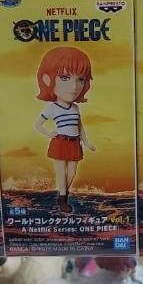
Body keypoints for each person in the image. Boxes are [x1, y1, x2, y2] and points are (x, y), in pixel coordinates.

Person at [32, 46, 97, 214]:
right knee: (61, 173)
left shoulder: (75, 108)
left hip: (75, 143)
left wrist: (87, 142)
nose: (74, 86)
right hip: (60, 142)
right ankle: (63, 200)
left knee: (72, 172)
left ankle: (62, 195)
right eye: (65, 77)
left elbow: (80, 126)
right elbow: (37, 124)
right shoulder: (52, 107)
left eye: (80, 79)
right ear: (47, 79)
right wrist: (49, 134)